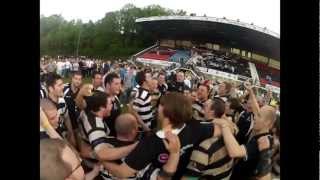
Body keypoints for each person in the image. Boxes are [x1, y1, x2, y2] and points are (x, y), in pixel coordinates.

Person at [101, 92, 235, 179]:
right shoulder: (195, 128)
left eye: (160, 105)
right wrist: (220, 121)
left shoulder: (151, 142)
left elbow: (122, 172)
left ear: (165, 110)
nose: (157, 108)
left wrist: (102, 161)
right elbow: (224, 128)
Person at [216, 81, 276, 180]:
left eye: (259, 116)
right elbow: (256, 109)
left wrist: (225, 125)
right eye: (257, 114)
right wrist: (251, 92)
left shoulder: (262, 142)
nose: (255, 117)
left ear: (268, 124)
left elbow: (234, 152)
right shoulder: (264, 133)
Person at [183, 97, 237, 179]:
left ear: (212, 111)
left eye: (207, 105)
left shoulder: (204, 139)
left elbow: (190, 177)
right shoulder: (229, 132)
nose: (203, 105)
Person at [45, 73, 76, 147]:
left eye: (62, 84)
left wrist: (71, 135)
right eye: (59, 85)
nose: (63, 87)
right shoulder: (45, 107)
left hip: (63, 136)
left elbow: (67, 118)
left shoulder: (62, 101)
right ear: (51, 89)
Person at [63, 71, 83, 144]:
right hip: (65, 124)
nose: (78, 81)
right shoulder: (64, 88)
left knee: (78, 144)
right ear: (72, 79)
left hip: (77, 124)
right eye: (76, 78)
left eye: (79, 79)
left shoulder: (81, 92)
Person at [103, 72, 123, 136]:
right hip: (107, 139)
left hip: (117, 136)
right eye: (116, 84)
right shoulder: (102, 101)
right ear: (108, 85)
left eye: (120, 83)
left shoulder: (116, 97)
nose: (120, 87)